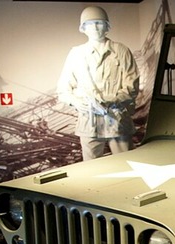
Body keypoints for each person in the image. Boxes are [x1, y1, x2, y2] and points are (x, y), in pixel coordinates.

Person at [57, 6, 140, 160]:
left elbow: (132, 86)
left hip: (118, 121)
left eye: (99, 23)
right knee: (91, 170)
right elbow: (63, 89)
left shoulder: (121, 51)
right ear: (83, 28)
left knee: (127, 164)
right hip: (89, 123)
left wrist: (112, 101)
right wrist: (76, 101)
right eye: (90, 24)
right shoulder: (76, 54)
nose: (95, 27)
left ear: (107, 26)